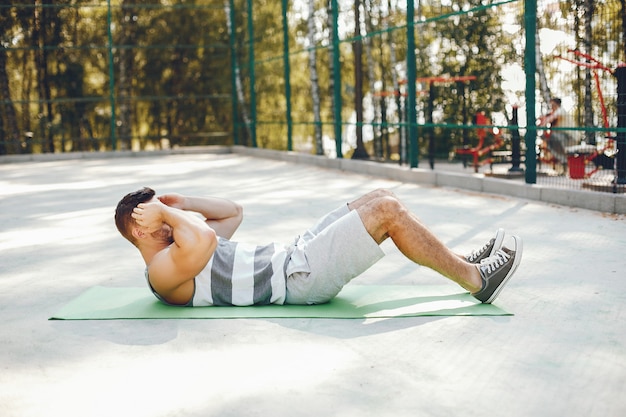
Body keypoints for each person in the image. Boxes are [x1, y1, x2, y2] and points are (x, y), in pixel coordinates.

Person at [114, 187, 522, 307]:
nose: (163, 218)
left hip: (295, 254)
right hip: (298, 278)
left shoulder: (183, 245)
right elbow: (204, 237)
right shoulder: (162, 273)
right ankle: (475, 280)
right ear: (140, 231)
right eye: (150, 217)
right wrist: (168, 219)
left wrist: (182, 204)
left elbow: (232, 213)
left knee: (377, 196)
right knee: (387, 211)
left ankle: (460, 262)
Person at [538, 98, 577, 164]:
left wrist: (542, 123)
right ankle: (561, 158)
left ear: (557, 104)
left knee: (549, 136)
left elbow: (550, 118)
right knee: (545, 137)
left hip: (569, 137)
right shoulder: (554, 112)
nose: (551, 107)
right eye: (551, 105)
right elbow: (546, 117)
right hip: (562, 137)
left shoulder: (560, 111)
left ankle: (563, 158)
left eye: (553, 105)